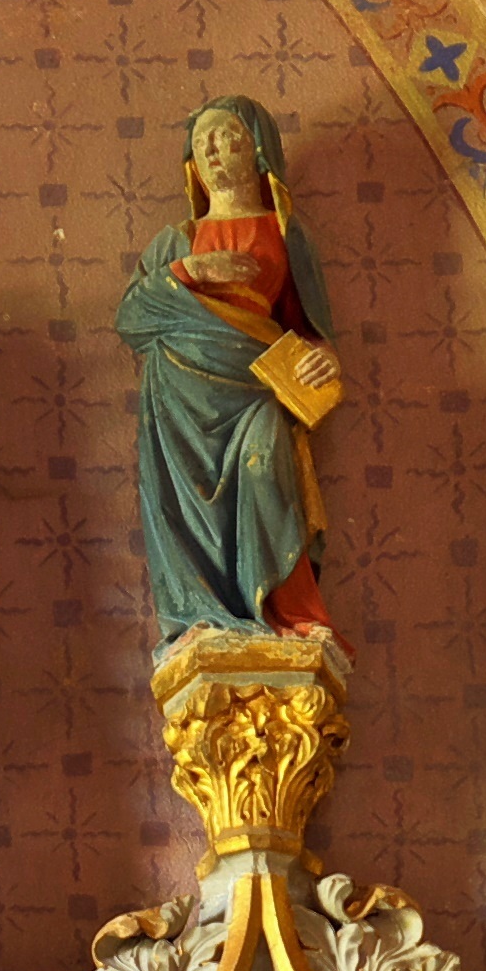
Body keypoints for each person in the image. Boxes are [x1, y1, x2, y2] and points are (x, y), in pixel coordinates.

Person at [116, 94, 339, 650]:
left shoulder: (286, 234)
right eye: (203, 143)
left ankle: (284, 612)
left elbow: (310, 327)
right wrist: (192, 269)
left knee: (267, 468)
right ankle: (201, 613)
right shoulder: (178, 241)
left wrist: (324, 358)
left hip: (257, 387)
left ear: (259, 149)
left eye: (229, 138)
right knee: (185, 504)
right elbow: (132, 319)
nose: (215, 152)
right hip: (180, 395)